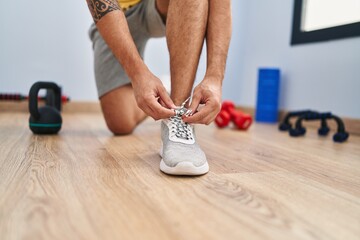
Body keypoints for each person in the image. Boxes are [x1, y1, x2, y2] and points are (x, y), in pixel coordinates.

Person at [86, 0, 232, 175]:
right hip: (114, 13)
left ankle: (178, 112)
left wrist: (215, 77)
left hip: (158, 4)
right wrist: (138, 74)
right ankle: (167, 89)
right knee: (120, 123)